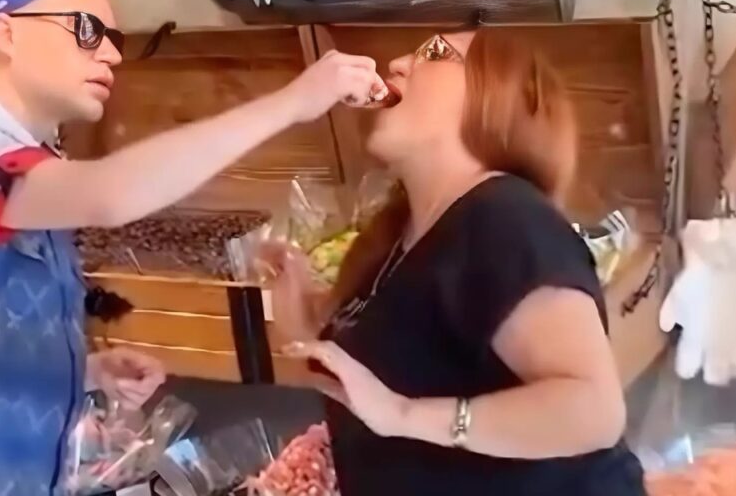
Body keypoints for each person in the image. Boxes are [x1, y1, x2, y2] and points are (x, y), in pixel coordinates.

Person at [0, 0, 384, 496]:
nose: (109, 53)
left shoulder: (31, 167)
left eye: (113, 38)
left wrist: (82, 371)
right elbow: (109, 196)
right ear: (6, 34)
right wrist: (292, 103)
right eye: (86, 30)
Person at [268, 29, 648, 495]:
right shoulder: (395, 238)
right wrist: (303, 321)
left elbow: (592, 411)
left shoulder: (504, 216)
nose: (398, 64)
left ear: (498, 99)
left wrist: (404, 415)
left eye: (435, 53)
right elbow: (381, 388)